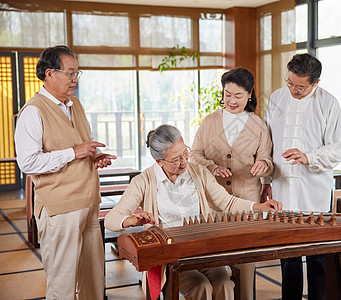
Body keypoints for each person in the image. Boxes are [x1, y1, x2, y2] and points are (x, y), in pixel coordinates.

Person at [105, 124, 282, 300]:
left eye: (185, 153)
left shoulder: (198, 172)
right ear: (159, 162)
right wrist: (131, 220)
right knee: (201, 286)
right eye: (175, 159)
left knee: (224, 283)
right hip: (169, 256)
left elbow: (227, 202)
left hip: (201, 250)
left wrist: (258, 207)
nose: (184, 162)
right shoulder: (143, 181)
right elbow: (111, 220)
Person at [14, 45, 117, 300]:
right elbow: (27, 163)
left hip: (89, 203)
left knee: (94, 282)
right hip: (59, 210)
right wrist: (74, 152)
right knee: (63, 285)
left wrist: (94, 157)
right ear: (49, 73)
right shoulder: (33, 111)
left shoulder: (76, 105)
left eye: (77, 73)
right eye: (70, 73)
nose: (74, 79)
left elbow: (81, 146)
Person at [261, 53, 341, 300]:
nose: (293, 90)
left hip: (314, 190)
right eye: (289, 82)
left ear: (315, 83)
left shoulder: (328, 103)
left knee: (318, 257)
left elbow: (337, 148)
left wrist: (308, 156)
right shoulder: (277, 98)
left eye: (300, 86)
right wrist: (266, 182)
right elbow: (267, 143)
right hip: (282, 187)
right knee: (288, 255)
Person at [190, 67, 273, 300]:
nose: (232, 100)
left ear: (249, 94)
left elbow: (267, 157)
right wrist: (211, 166)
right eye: (227, 94)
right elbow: (193, 154)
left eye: (238, 95)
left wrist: (264, 165)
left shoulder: (259, 125)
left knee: (246, 265)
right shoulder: (209, 122)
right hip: (214, 203)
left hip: (247, 203)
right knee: (215, 265)